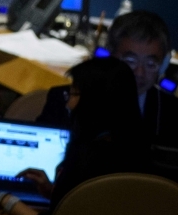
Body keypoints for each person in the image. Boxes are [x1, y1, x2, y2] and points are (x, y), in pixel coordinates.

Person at [0, 57, 150, 215]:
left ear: (95, 101)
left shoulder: (90, 156)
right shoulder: (135, 151)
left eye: (74, 94)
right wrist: (53, 191)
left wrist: (4, 200)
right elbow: (86, 212)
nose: (68, 104)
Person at [38, 10, 178, 147]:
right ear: (109, 54)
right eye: (130, 61)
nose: (139, 72)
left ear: (163, 64)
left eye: (151, 64)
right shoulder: (65, 100)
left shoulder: (171, 112)